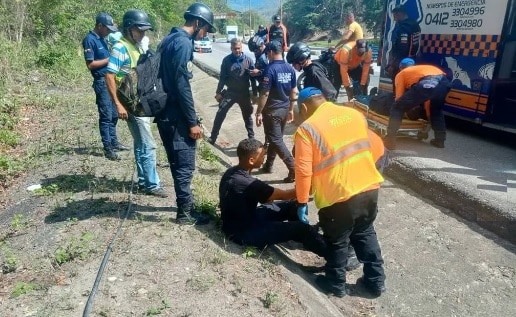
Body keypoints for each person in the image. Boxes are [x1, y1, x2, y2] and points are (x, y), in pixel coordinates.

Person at [294, 87, 386, 298]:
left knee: (338, 240)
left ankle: (335, 284)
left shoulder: (307, 129)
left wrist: (301, 202)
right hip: (370, 186)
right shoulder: (354, 114)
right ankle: (376, 282)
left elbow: (303, 171)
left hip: (339, 196)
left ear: (305, 107)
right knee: (365, 232)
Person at [157, 2, 216, 225]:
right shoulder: (183, 44)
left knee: (175, 161)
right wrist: (192, 122)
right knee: (184, 163)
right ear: (197, 22)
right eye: (206, 29)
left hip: (164, 111)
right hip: (176, 114)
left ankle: (185, 204)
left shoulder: (169, 39)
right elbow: (182, 86)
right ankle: (185, 213)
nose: (206, 34)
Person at [219, 138, 327, 257]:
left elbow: (267, 197)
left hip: (241, 220)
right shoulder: (249, 184)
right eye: (262, 155)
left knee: (293, 205)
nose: (264, 157)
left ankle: (301, 238)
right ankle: (334, 256)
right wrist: (308, 187)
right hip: (243, 233)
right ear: (251, 160)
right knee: (302, 228)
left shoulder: (231, 172)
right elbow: (284, 195)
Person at [105, 10, 167, 198]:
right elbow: (109, 75)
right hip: (130, 105)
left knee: (141, 143)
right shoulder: (120, 48)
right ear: (129, 28)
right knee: (148, 144)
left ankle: (144, 180)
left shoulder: (138, 46)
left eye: (145, 31)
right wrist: (118, 105)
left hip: (140, 103)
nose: (143, 34)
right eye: (140, 30)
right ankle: (151, 184)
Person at [82, 13, 129, 161]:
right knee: (106, 115)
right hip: (101, 81)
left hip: (111, 80)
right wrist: (110, 59)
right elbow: (90, 65)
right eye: (107, 28)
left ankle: (114, 142)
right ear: (99, 25)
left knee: (115, 114)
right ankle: (107, 147)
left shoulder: (102, 39)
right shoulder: (90, 40)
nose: (109, 31)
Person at [383, 58, 450, 150]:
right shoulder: (420, 70)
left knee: (397, 107)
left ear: (401, 68)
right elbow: (428, 99)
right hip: (444, 83)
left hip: (428, 82)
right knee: (436, 110)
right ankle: (440, 140)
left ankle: (389, 141)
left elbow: (399, 99)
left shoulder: (401, 74)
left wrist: (405, 111)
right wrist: (428, 116)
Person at [256, 40, 297, 183]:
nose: (268, 56)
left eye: (268, 53)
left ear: (271, 53)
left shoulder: (270, 69)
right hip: (284, 109)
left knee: (276, 139)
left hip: (272, 111)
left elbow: (265, 93)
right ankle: (269, 165)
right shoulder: (290, 68)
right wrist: (291, 110)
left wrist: (258, 112)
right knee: (273, 138)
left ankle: (294, 168)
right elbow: (294, 91)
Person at [207, 38, 255, 145]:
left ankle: (251, 138)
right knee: (220, 113)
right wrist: (218, 92)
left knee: (247, 116)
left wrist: (255, 94)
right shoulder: (226, 60)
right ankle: (213, 137)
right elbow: (222, 78)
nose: (237, 51)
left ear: (241, 47)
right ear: (231, 48)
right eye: (235, 49)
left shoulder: (248, 60)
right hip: (231, 92)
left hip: (244, 93)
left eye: (239, 48)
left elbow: (253, 78)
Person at [386, 5, 421, 82]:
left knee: (399, 83)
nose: (394, 19)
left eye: (395, 16)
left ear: (399, 14)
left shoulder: (404, 28)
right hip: (412, 60)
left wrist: (393, 64)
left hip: (402, 62)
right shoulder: (415, 25)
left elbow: (403, 47)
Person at [248, 36, 268, 104]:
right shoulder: (259, 53)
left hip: (270, 82)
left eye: (256, 50)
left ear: (261, 45)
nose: (255, 53)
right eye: (253, 51)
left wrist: (259, 72)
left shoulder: (269, 53)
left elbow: (272, 70)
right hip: (262, 77)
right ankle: (255, 94)